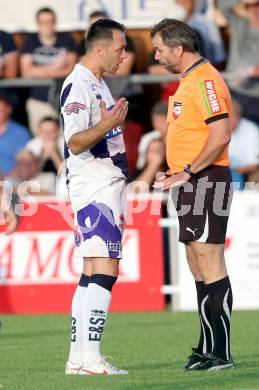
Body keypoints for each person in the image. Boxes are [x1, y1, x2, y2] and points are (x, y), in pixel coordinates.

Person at [152, 18, 234, 371]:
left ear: (178, 48)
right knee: (196, 263)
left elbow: (221, 135)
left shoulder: (206, 79)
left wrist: (187, 170)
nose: (155, 56)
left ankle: (222, 353)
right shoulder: (189, 80)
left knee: (210, 261)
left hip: (206, 180)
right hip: (189, 181)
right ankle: (207, 347)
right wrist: (175, 172)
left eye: (158, 49)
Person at [61, 19, 129, 375]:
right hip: (96, 186)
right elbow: (74, 141)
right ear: (100, 48)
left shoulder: (96, 83)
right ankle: (91, 358)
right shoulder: (79, 85)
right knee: (105, 267)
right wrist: (107, 124)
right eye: (120, 48)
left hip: (101, 185)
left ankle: (78, 358)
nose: (124, 55)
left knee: (90, 271)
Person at [20, 7, 78, 135]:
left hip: (65, 100)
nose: (47, 25)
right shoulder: (30, 41)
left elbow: (71, 70)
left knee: (67, 140)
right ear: (38, 24)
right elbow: (26, 72)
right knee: (41, 142)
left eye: (50, 21)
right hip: (38, 100)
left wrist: (38, 71)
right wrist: (56, 66)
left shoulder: (66, 39)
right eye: (43, 22)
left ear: (55, 23)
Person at [229, 99, 259, 188]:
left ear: (239, 115)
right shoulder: (213, 127)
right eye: (226, 116)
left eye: (232, 116)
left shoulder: (252, 129)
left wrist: (231, 172)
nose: (229, 120)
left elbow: (255, 165)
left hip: (244, 175)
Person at [0, 94, 30, 176]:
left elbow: (24, 162)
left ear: (9, 110)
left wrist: (6, 180)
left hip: (12, 179)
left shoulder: (20, 132)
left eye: (0, 110)